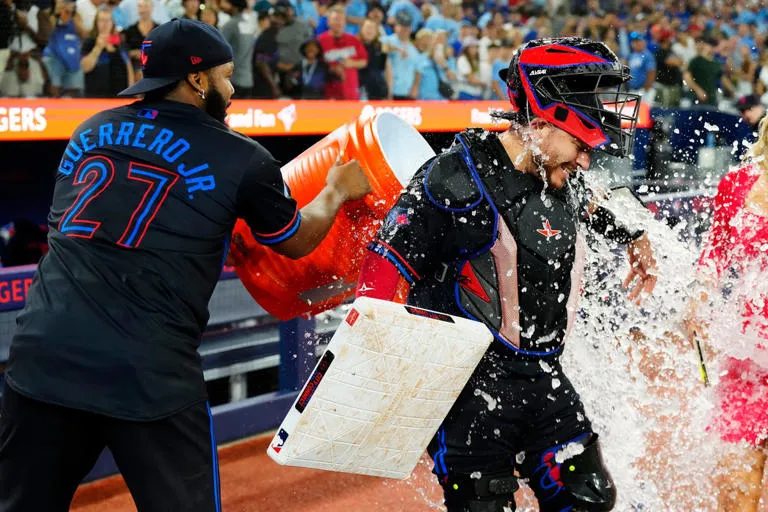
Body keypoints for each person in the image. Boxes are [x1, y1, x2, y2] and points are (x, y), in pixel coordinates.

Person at [0, 18, 371, 512]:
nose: (233, 89)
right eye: (226, 75)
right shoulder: (240, 155)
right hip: (147, 372)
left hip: (42, 357)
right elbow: (299, 241)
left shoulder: (90, 129)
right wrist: (337, 190)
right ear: (197, 80)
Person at [356, 37, 657, 512]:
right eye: (581, 145)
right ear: (540, 124)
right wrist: (384, 375)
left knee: (591, 500)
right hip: (467, 396)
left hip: (542, 379)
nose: (585, 160)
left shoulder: (561, 176)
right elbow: (383, 265)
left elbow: (601, 206)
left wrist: (636, 236)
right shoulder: (452, 177)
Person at [685, 115, 768, 512]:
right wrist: (699, 298)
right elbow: (714, 255)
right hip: (749, 353)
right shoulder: (737, 184)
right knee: (738, 485)